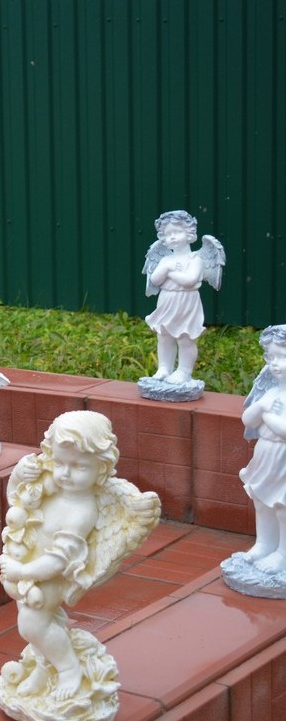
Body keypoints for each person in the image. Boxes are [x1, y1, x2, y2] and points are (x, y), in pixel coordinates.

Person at [0, 411, 158, 701]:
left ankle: (69, 669)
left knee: (32, 623)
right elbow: (17, 500)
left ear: (100, 469)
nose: (65, 473)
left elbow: (59, 562)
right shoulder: (52, 485)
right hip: (28, 567)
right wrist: (20, 474)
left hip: (49, 576)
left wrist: (20, 571)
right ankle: (44, 668)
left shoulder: (82, 512)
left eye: (78, 466)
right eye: (59, 463)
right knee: (36, 623)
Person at [141, 210, 224, 385]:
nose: (172, 237)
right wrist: (167, 269)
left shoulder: (196, 259)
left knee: (185, 338)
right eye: (168, 234)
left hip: (187, 301)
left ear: (190, 234)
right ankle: (164, 368)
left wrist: (171, 272)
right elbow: (155, 279)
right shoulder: (165, 260)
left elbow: (190, 280)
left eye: (177, 232)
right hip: (167, 300)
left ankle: (184, 371)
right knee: (163, 335)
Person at [233, 325, 286, 575]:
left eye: (282, 357)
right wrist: (261, 408)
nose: (275, 364)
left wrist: (269, 416)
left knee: (283, 506)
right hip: (265, 454)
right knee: (261, 501)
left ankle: (282, 554)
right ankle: (264, 544)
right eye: (271, 357)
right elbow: (248, 420)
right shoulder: (272, 392)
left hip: (284, 457)